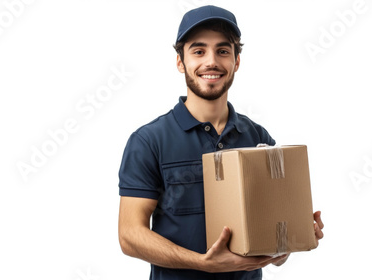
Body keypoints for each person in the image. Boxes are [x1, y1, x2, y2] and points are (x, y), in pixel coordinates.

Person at [118, 5, 324, 280]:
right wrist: (203, 263)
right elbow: (130, 236)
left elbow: (272, 252)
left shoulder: (258, 139)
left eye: (223, 51)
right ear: (181, 62)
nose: (211, 62)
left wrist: (289, 239)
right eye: (199, 51)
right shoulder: (149, 140)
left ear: (236, 61)